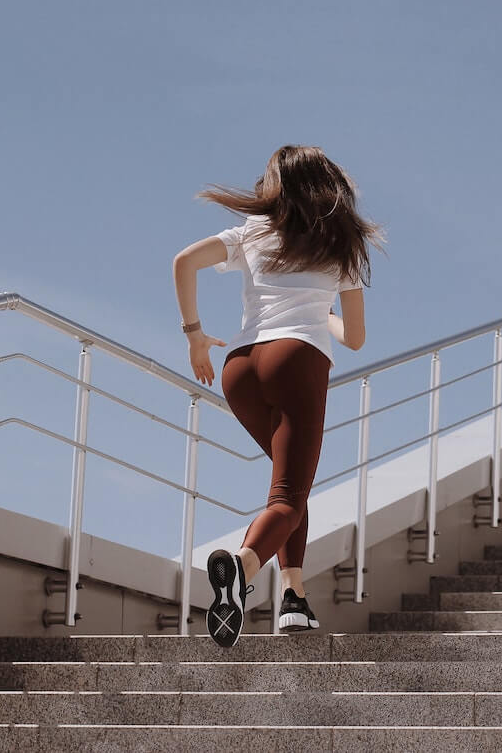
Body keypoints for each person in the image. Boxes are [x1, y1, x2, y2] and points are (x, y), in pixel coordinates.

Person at [172, 144, 382, 647]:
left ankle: (294, 598)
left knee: (288, 487)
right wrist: (322, 314)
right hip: (296, 362)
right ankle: (241, 570)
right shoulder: (342, 244)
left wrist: (195, 335)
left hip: (240, 368)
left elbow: (183, 262)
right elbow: (354, 338)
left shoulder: (252, 232)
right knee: (289, 494)